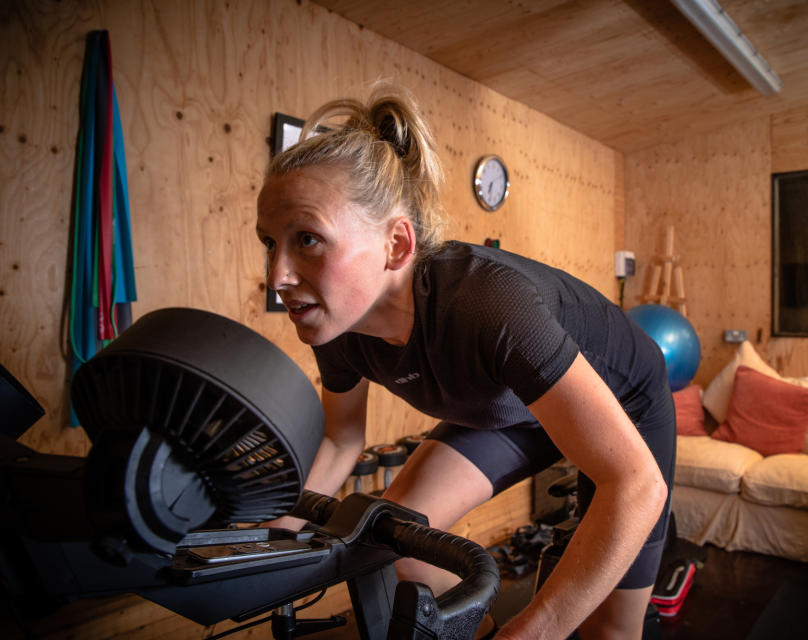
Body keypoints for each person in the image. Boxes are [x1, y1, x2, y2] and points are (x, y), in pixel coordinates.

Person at [257, 84, 675, 640]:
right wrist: (271, 540)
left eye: (306, 239)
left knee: (610, 628)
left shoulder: (484, 304)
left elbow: (638, 484)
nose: (277, 275)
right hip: (511, 408)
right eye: (270, 243)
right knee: (395, 542)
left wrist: (539, 628)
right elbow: (340, 441)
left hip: (626, 402)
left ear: (397, 246)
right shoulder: (336, 324)